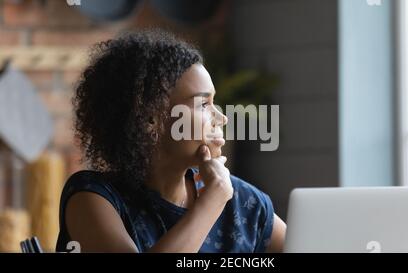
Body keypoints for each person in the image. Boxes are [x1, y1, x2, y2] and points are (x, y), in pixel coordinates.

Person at [55, 29, 286, 253]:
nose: (221, 117)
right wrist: (212, 202)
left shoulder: (242, 200)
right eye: (203, 104)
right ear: (149, 119)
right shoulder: (92, 198)